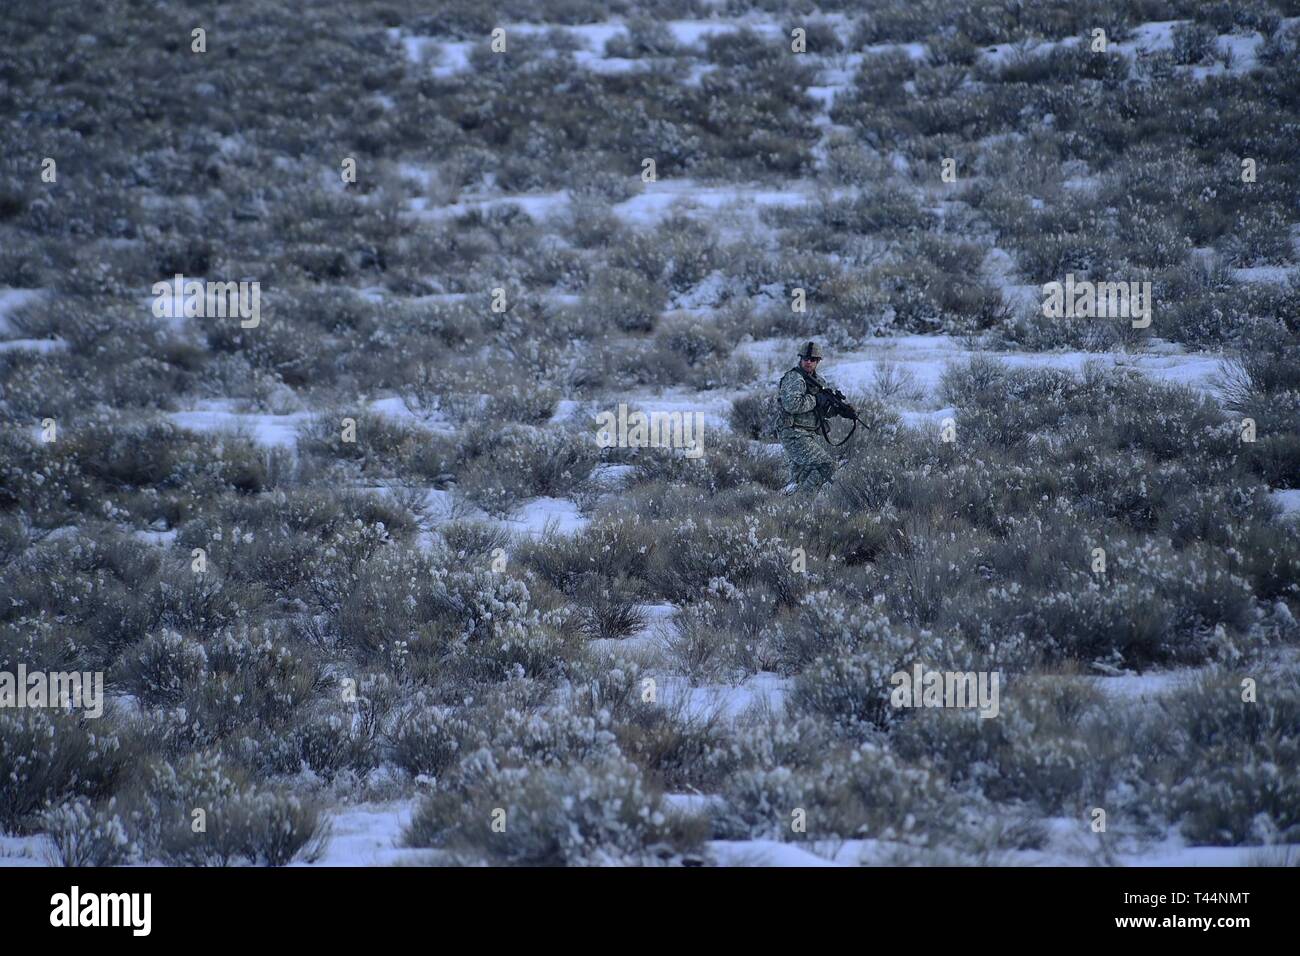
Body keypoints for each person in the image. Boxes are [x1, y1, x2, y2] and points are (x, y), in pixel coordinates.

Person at [777, 341, 853, 495]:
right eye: (805, 358)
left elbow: (822, 411)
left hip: (808, 435)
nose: (808, 362)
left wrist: (840, 410)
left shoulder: (819, 382)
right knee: (827, 466)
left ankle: (792, 511)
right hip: (794, 434)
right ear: (800, 358)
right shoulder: (794, 378)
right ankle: (803, 503)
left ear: (818, 361)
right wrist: (816, 399)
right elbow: (792, 405)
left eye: (812, 359)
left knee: (802, 477)